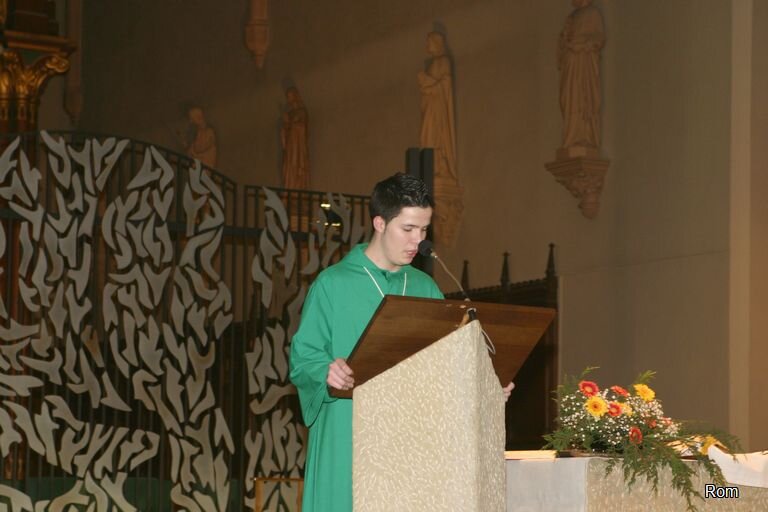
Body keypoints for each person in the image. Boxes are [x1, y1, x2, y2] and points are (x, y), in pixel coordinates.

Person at [289, 173, 513, 512]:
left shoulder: (425, 287)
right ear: (379, 222)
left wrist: (485, 386)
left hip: (408, 437)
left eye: (424, 230)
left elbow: (447, 363)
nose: (418, 241)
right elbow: (303, 357)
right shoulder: (332, 284)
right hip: (348, 428)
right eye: (408, 229)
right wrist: (326, 371)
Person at [558, 0, 605, 152]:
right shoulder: (571, 17)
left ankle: (585, 136)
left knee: (583, 98)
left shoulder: (593, 13)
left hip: (584, 65)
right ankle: (571, 136)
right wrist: (565, 40)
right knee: (569, 98)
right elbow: (562, 44)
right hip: (571, 65)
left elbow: (598, 39)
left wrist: (581, 43)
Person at [417, 31, 457, 181]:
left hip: (437, 107)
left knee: (436, 136)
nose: (427, 45)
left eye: (429, 42)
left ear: (437, 43)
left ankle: (440, 165)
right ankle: (430, 168)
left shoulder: (444, 61)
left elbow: (445, 83)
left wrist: (430, 87)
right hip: (429, 106)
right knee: (426, 136)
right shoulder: (431, 65)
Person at [280, 87, 310, 189]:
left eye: (290, 96)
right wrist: (285, 126)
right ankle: (289, 187)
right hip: (290, 146)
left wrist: (291, 124)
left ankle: (298, 187)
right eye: (287, 97)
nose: (289, 99)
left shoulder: (302, 112)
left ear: (295, 96)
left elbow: (303, 128)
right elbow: (285, 131)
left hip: (298, 146)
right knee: (289, 166)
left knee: (297, 166)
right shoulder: (289, 114)